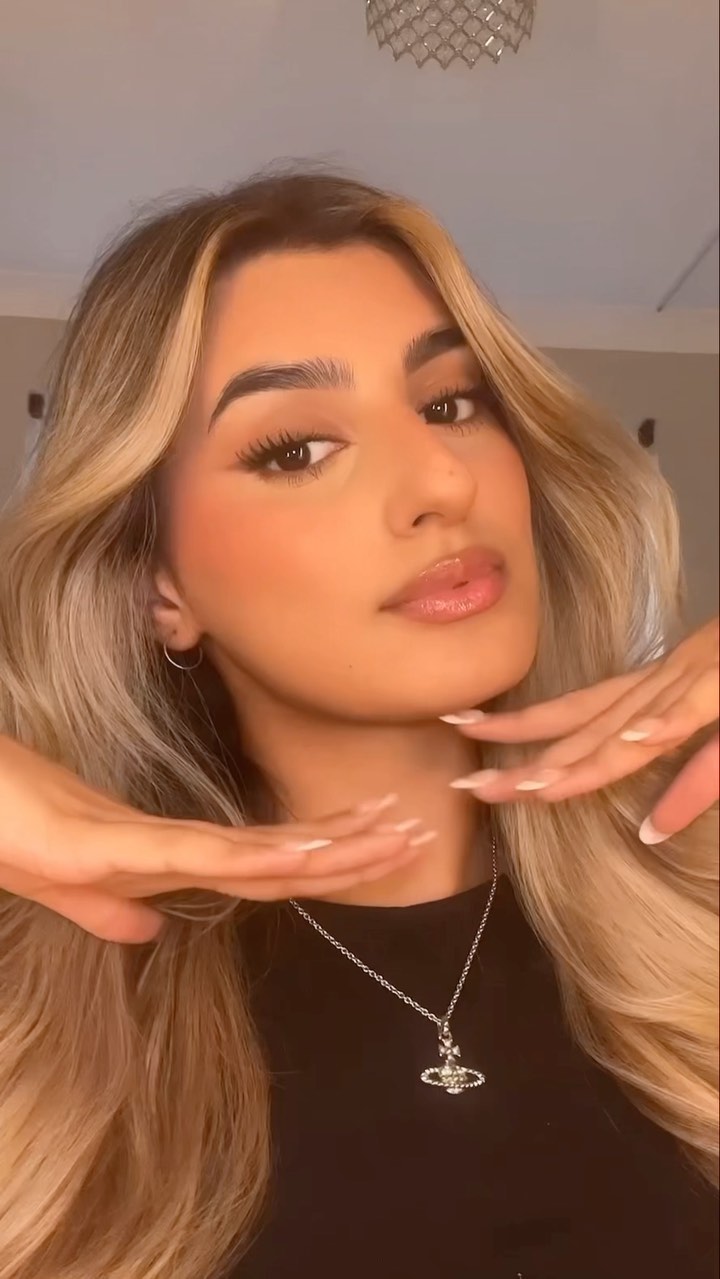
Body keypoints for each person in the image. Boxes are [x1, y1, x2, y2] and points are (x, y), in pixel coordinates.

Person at [0, 169, 717, 1279]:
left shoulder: (700, 885)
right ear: (160, 588)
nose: (440, 481)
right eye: (295, 449)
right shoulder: (39, 1016)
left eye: (451, 403)